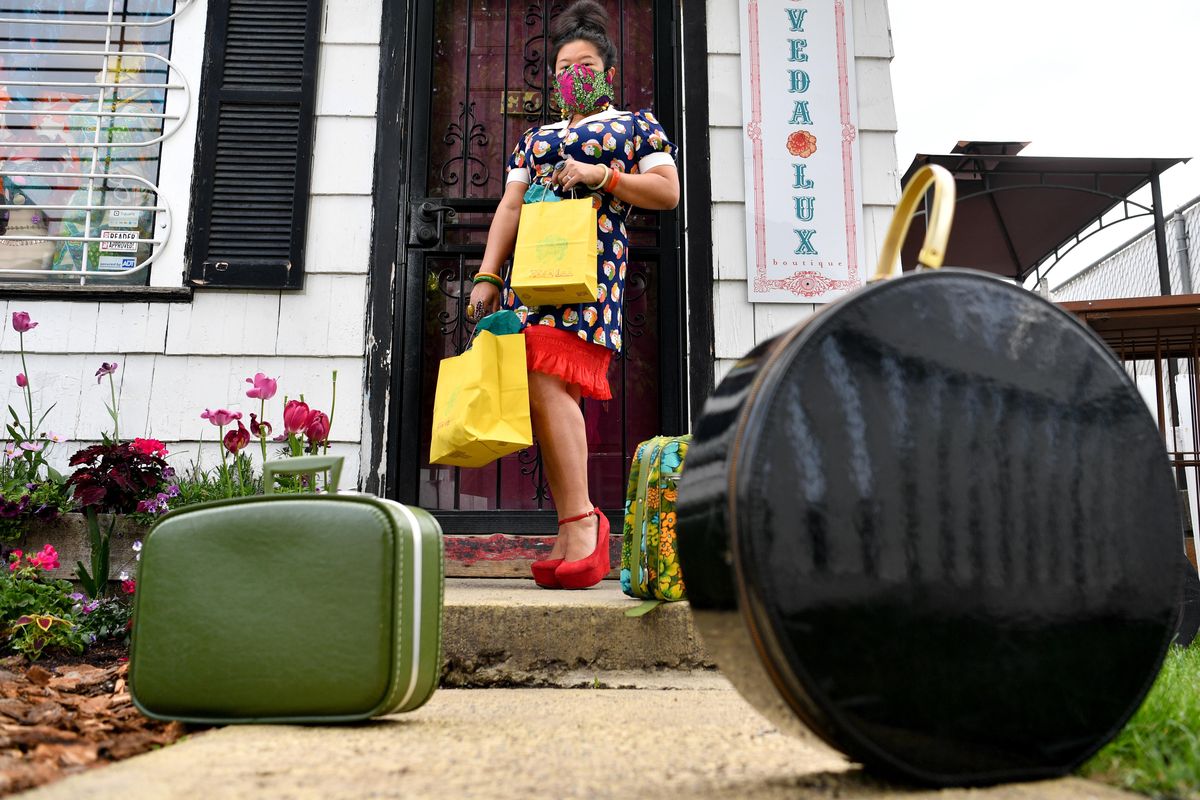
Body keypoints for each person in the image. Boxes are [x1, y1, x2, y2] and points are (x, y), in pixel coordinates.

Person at [468, 0, 679, 590]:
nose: (573, 75)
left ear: (608, 73)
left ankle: (585, 522)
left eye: (585, 65)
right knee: (540, 391)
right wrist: (487, 275)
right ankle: (572, 526)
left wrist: (601, 176)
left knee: (546, 382)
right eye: (564, 68)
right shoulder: (534, 138)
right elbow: (509, 206)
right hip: (531, 278)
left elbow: (666, 192)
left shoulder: (637, 124)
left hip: (590, 273)